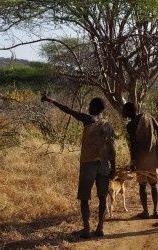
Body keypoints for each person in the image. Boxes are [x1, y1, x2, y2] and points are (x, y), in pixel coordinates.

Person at [41, 95, 116, 238]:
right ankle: (100, 227)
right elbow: (113, 149)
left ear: (94, 107)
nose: (88, 107)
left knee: (84, 198)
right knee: (102, 197)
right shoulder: (108, 125)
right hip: (105, 165)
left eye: (90, 105)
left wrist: (51, 100)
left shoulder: (89, 119)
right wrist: (114, 168)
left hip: (89, 163)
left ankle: (87, 229)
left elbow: (68, 110)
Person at [122, 102, 158, 219]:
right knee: (154, 184)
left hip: (140, 157)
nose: (123, 113)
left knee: (142, 186)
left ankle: (145, 212)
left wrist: (132, 161)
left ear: (129, 112)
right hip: (152, 155)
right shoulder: (148, 117)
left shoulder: (130, 125)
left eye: (124, 111)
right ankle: (156, 211)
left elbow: (133, 144)